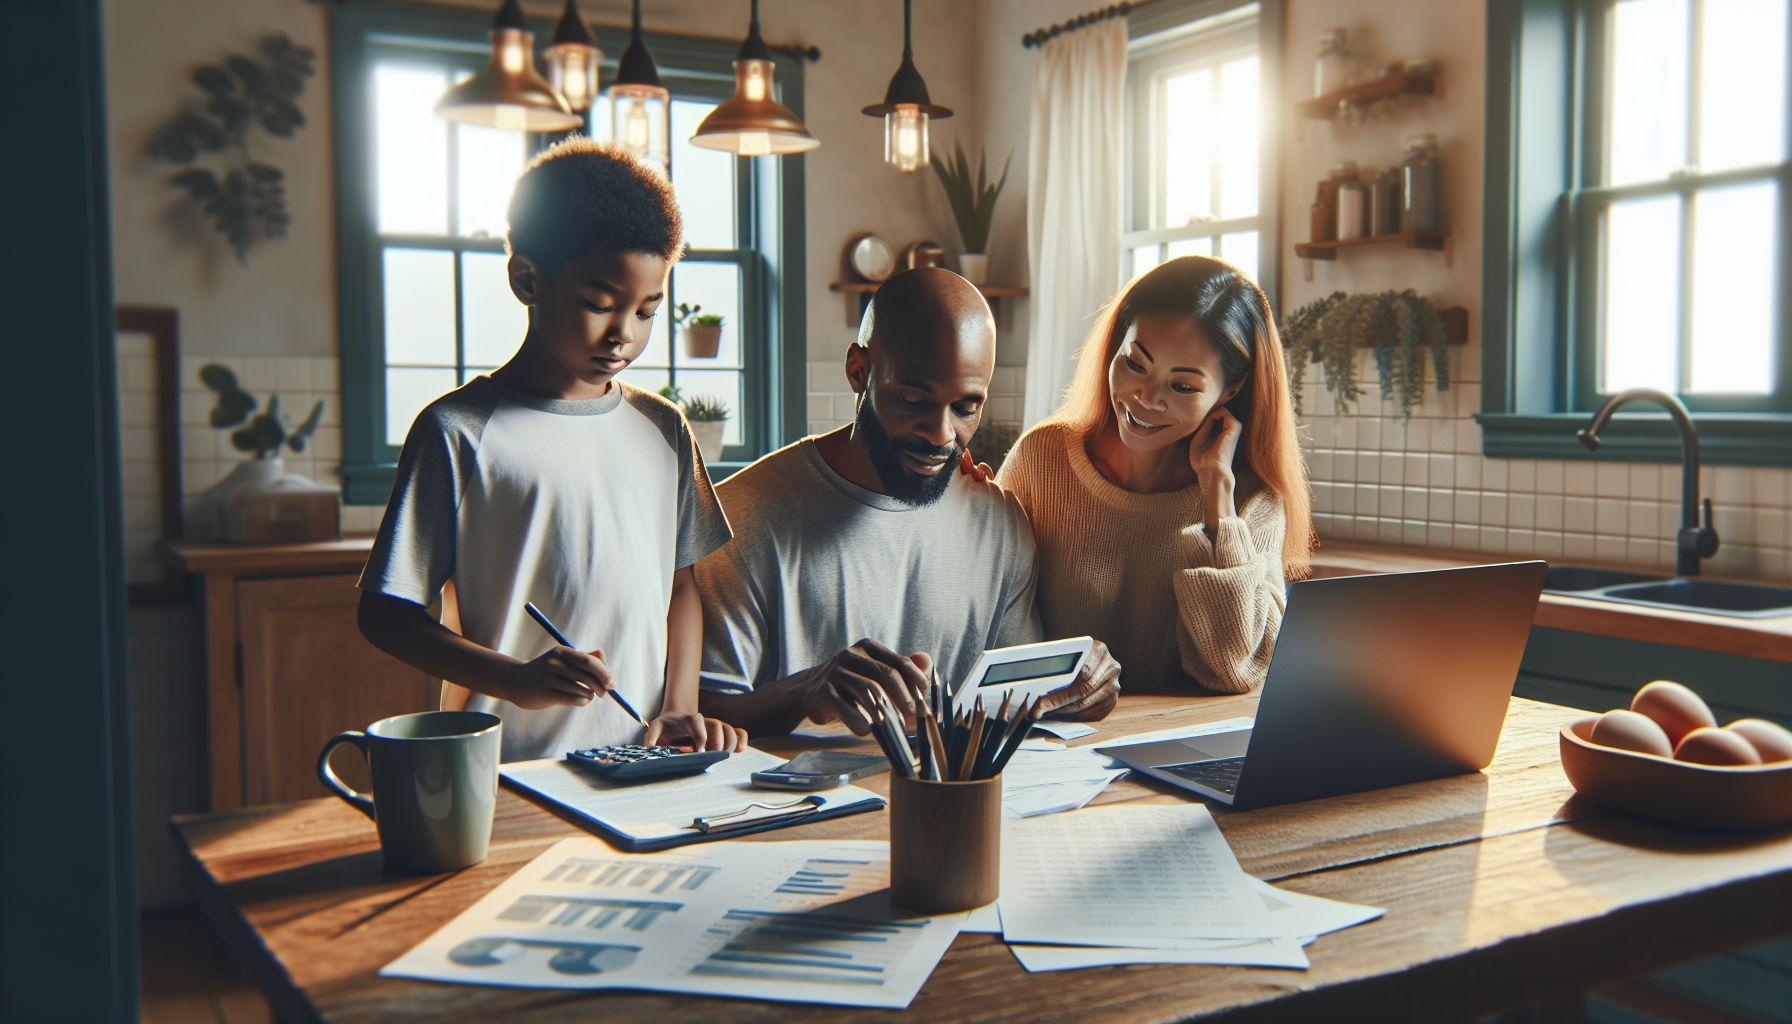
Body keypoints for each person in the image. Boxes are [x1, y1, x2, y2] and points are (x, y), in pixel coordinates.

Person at [356, 138, 745, 762]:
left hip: (640, 763)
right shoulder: (457, 431)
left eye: (647, 311)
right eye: (599, 304)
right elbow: (384, 615)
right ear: (527, 279)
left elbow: (683, 587)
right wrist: (514, 678)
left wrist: (680, 705)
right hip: (503, 767)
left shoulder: (665, 428)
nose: (624, 334)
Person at [693, 268, 1121, 736]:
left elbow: (1017, 702)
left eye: (966, 408)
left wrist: (1080, 686)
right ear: (859, 371)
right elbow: (701, 715)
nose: (941, 435)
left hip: (964, 801)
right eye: (914, 399)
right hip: (806, 805)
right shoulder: (739, 516)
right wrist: (804, 691)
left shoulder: (999, 523)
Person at [996, 256, 1313, 695]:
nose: (1146, 397)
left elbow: (1233, 670)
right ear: (1115, 347)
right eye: (1135, 364)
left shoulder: (1253, 500)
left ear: (1231, 391)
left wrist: (1218, 497)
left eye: (1182, 386)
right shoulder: (1042, 459)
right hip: (1051, 741)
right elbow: (989, 620)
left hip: (1178, 748)